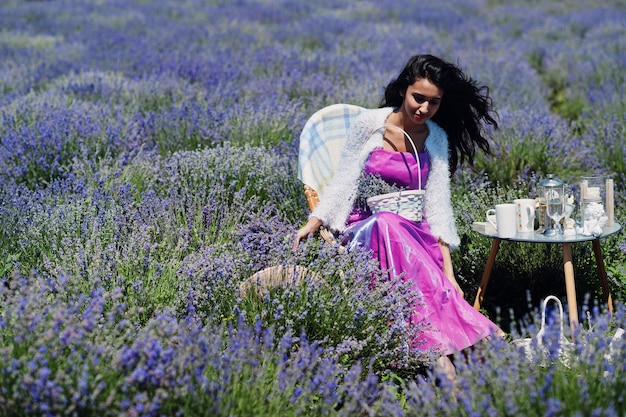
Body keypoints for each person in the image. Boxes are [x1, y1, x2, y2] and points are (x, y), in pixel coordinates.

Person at [294, 54, 501, 378]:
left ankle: (438, 350)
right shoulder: (369, 126)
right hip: (368, 229)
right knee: (387, 223)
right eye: (419, 98)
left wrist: (449, 273)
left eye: (433, 103)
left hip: (416, 235)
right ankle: (446, 352)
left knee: (398, 230)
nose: (424, 109)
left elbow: (437, 206)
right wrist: (315, 220)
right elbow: (345, 180)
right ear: (404, 90)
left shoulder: (435, 137)